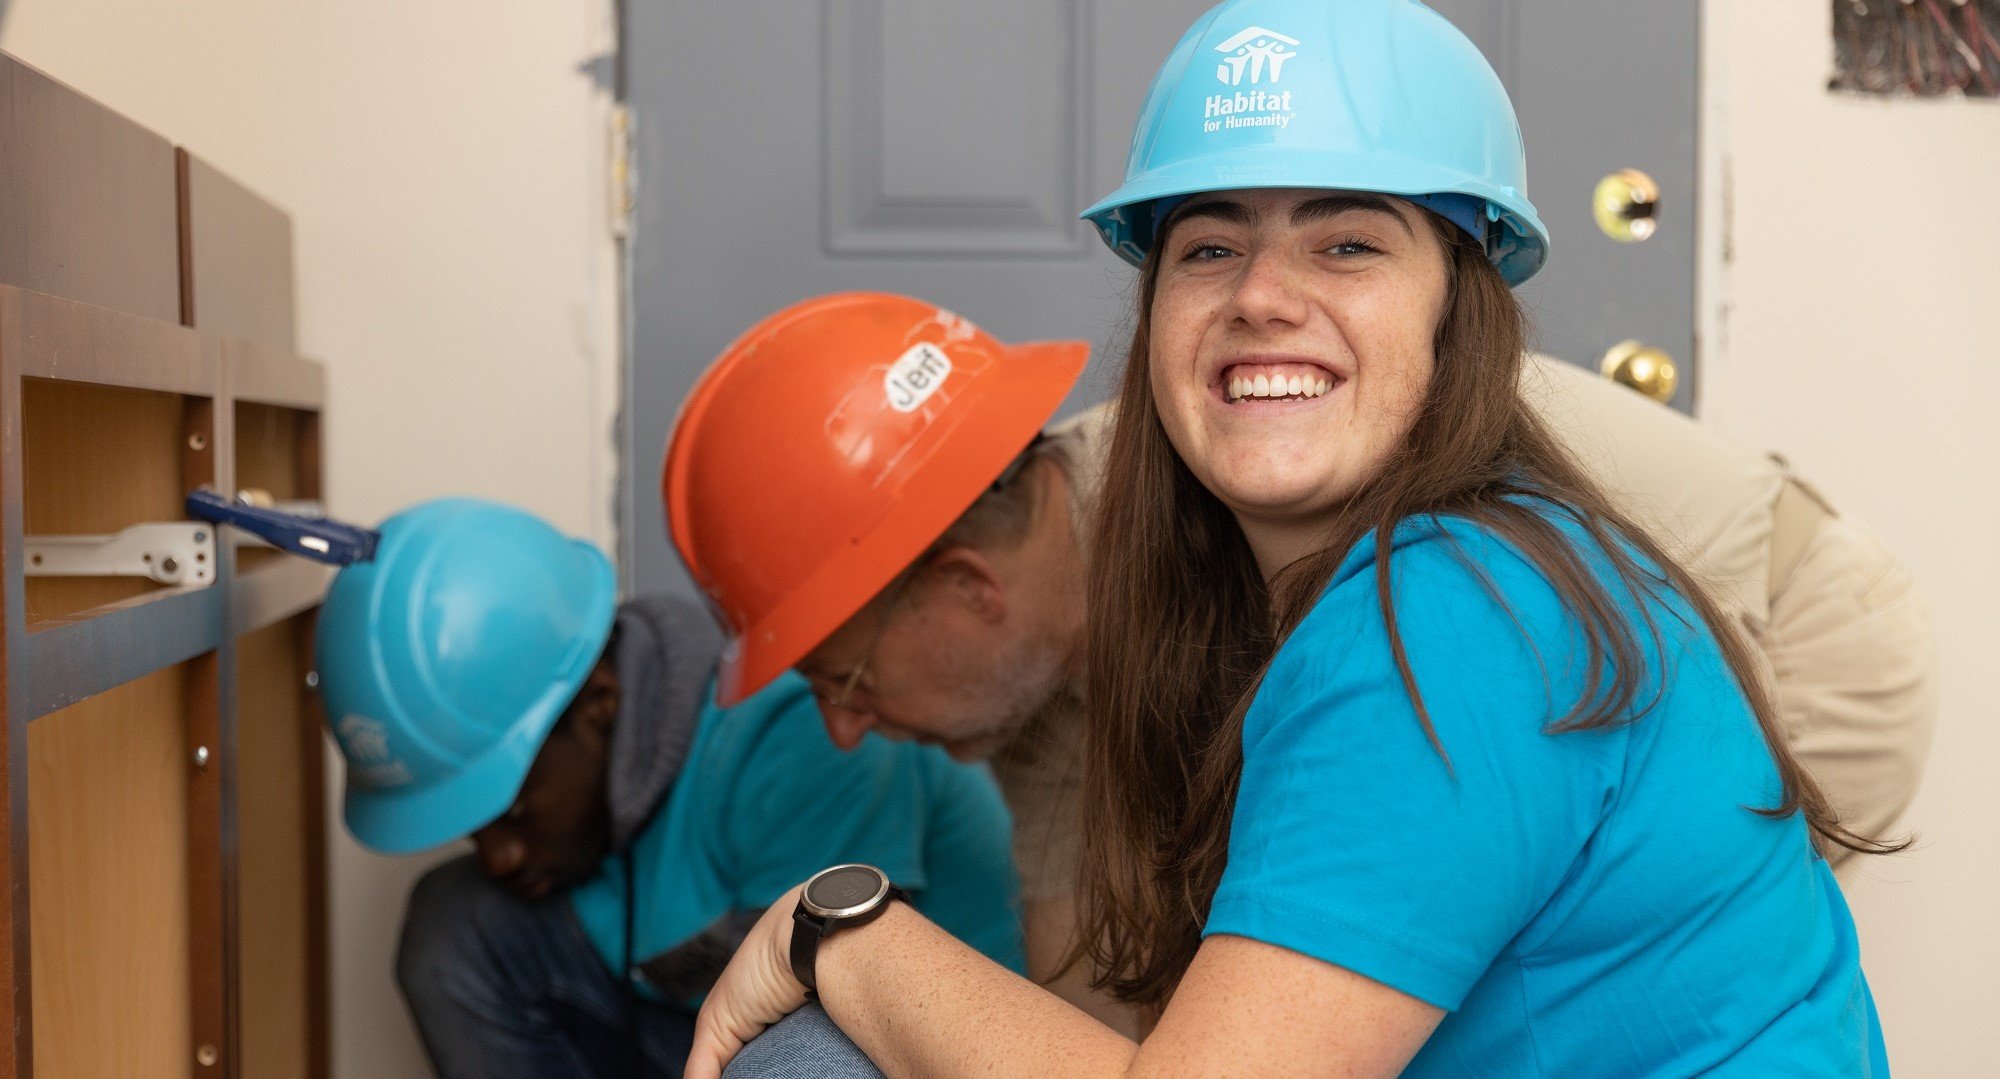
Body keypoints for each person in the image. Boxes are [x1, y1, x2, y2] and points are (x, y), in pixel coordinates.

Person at [681, 1, 1903, 1074]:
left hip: (1798, 607)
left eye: (1346, 242)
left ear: (1455, 315)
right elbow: (1124, 1006)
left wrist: (835, 926)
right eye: (1208, 246)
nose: (1261, 293)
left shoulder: (1441, 619)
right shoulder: (1276, 595)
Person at [304, 496, 1023, 1078]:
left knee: (793, 1061)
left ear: (599, 703)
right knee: (454, 925)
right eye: (474, 824)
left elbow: (831, 1020)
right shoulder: (589, 800)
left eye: (512, 812)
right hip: (696, 1013)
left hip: (899, 1045)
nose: (500, 855)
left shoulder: (802, 733)